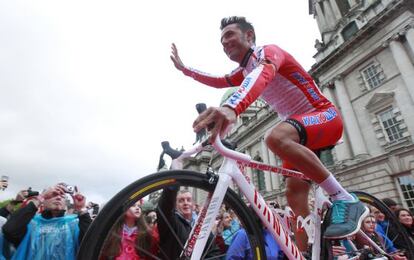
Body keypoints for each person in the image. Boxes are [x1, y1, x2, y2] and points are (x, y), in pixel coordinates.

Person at [171, 16, 368, 250]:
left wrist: (232, 107)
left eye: (229, 35)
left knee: (275, 138)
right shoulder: (243, 72)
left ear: (250, 36)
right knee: (294, 195)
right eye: (221, 40)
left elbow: (262, 74)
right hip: (301, 133)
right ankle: (304, 253)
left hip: (324, 117)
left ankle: (344, 198)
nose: (224, 43)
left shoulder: (269, 53)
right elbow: (217, 81)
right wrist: (185, 70)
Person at [2, 183, 92, 259]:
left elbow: (91, 242)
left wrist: (82, 209)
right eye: (54, 195)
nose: (58, 198)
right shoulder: (30, 223)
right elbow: (9, 230)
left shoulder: (74, 224)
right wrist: (40, 197)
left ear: (65, 203)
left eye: (62, 196)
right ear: (43, 201)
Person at [156, 188, 220, 259]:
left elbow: (214, 252)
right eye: (181, 201)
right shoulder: (171, 222)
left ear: (193, 204)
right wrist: (173, 184)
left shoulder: (202, 224)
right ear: (175, 205)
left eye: (189, 200)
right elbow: (165, 205)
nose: (185, 203)